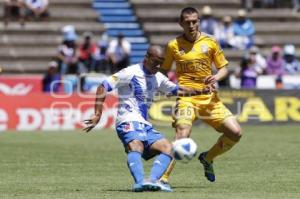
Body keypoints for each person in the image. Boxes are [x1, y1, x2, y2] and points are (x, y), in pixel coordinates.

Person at [83, 45, 213, 192]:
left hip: (144, 124)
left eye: (161, 63)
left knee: (169, 148)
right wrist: (98, 113)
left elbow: (179, 90)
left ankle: (153, 181)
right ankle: (139, 183)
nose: (158, 66)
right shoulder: (130, 72)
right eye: (155, 62)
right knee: (136, 146)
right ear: (147, 58)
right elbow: (103, 86)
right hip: (128, 119)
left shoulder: (158, 77)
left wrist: (202, 90)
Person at [160, 7, 242, 184]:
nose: (191, 25)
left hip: (210, 99)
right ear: (180, 23)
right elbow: (163, 71)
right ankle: (162, 178)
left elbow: (224, 68)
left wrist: (216, 77)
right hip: (186, 98)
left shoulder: (211, 42)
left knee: (235, 133)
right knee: (182, 134)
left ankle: (208, 158)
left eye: (194, 21)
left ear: (199, 22)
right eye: (187, 22)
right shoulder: (173, 45)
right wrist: (169, 87)